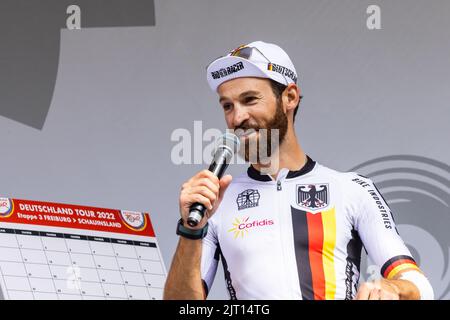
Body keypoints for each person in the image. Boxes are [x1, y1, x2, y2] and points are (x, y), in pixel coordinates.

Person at [163, 41, 434, 300]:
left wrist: (394, 288)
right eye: (227, 106)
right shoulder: (215, 202)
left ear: (289, 97)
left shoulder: (351, 189)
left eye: (250, 99)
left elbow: (419, 285)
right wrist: (191, 230)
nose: (237, 118)